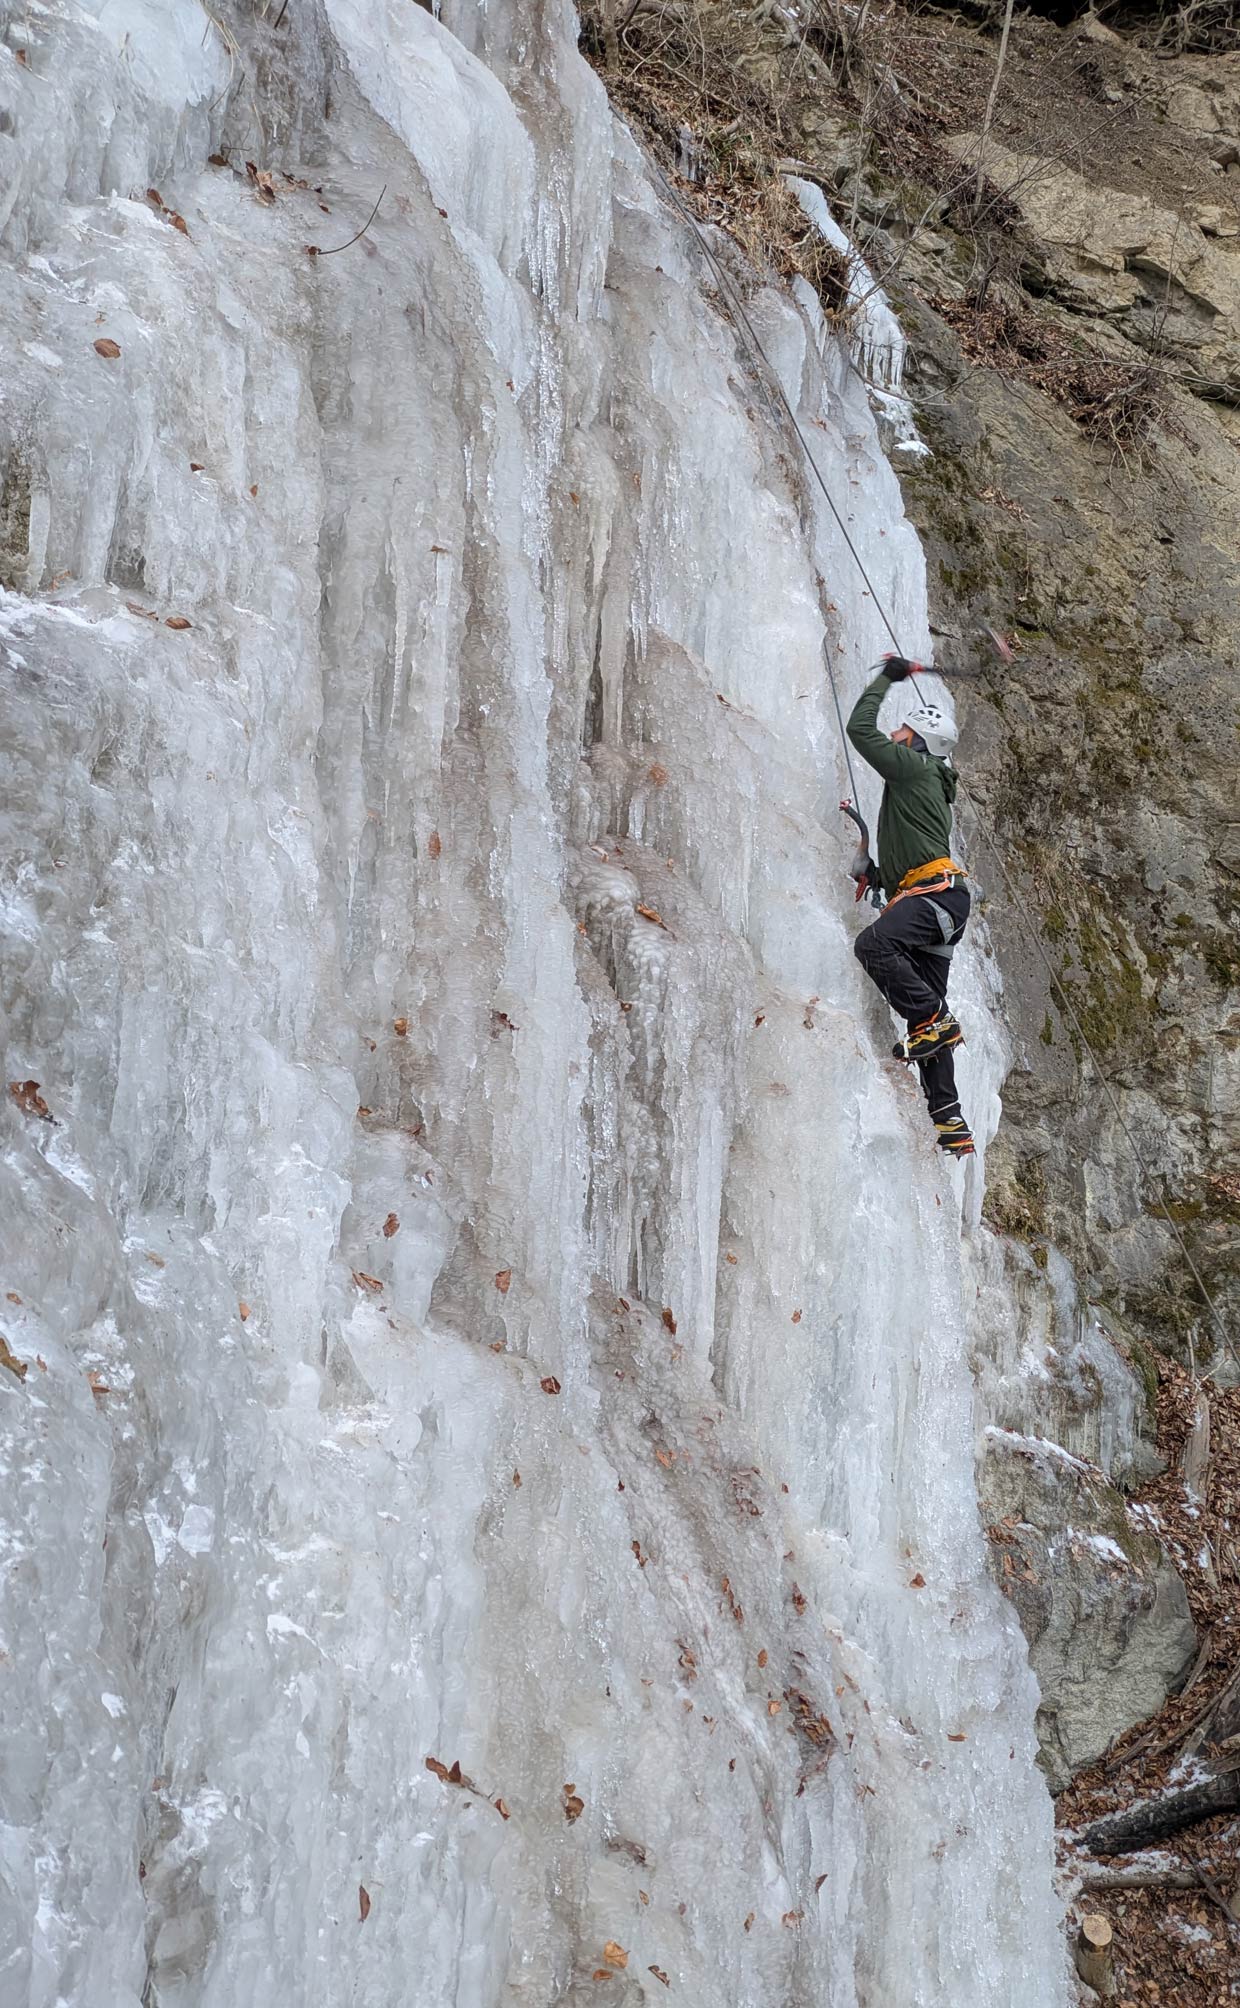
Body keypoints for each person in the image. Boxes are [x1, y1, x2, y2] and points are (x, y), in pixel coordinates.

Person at [845, 656, 974, 1158]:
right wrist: (875, 875)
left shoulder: (916, 767)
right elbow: (908, 859)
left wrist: (887, 678)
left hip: (935, 896)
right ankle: (949, 1118)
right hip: (938, 900)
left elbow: (860, 729)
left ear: (918, 740)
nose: (895, 734)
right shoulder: (922, 786)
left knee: (874, 944)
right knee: (928, 1013)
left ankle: (932, 1019)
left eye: (903, 729)